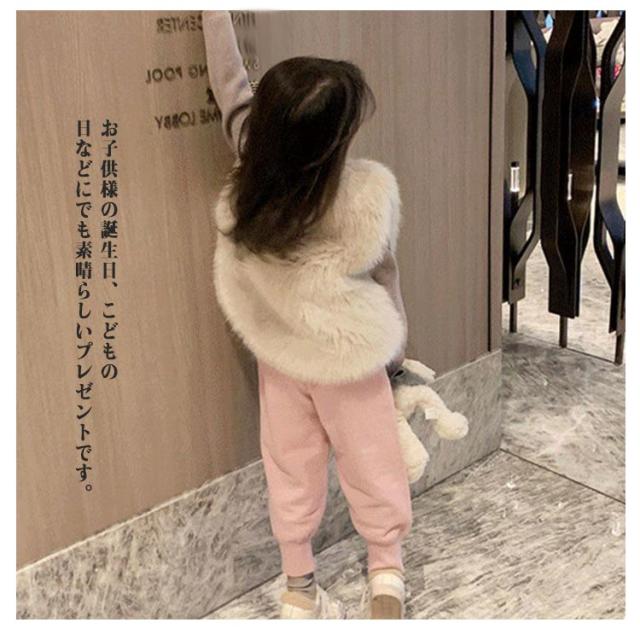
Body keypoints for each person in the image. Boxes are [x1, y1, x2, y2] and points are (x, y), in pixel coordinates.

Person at [203, 10, 411, 619]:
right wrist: (396, 357)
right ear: (333, 146)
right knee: (372, 460)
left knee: (289, 464)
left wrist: (212, 14)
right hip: (349, 355)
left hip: (283, 354)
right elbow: (386, 278)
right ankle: (386, 575)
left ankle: (298, 588)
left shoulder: (253, 179)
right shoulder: (365, 196)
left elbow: (230, 87)